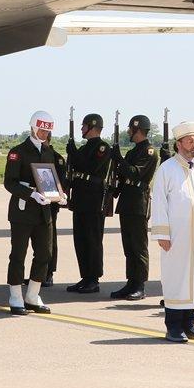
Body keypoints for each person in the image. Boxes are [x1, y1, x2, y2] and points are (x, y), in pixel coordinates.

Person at [150, 121, 194, 343]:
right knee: (176, 278)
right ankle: (173, 326)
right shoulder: (166, 169)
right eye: (190, 141)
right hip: (176, 237)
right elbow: (159, 202)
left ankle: (190, 323)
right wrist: (162, 234)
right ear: (179, 144)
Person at [3, 111, 65, 315]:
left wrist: (59, 194)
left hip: (43, 211)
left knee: (45, 254)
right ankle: (15, 296)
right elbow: (9, 183)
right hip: (22, 211)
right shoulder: (18, 152)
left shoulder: (48, 152)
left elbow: (51, 178)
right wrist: (31, 194)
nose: (44, 134)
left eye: (47, 131)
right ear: (33, 127)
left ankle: (32, 295)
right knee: (18, 255)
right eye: (41, 130)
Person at [109, 114, 160, 301]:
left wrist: (119, 160)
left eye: (131, 129)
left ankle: (140, 285)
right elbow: (123, 177)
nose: (129, 132)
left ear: (138, 130)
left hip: (138, 203)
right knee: (128, 247)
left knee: (139, 247)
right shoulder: (132, 152)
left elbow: (135, 173)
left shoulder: (149, 152)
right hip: (127, 202)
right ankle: (131, 282)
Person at [65, 113, 112, 293]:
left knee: (93, 240)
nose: (81, 129)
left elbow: (90, 167)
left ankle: (94, 279)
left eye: (84, 126)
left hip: (93, 200)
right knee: (80, 239)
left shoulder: (102, 147)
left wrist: (73, 153)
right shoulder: (84, 148)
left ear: (92, 127)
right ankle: (85, 276)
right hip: (80, 199)